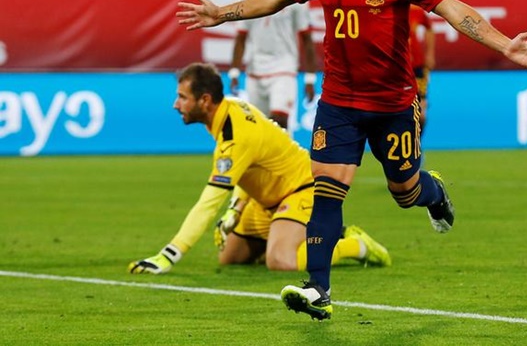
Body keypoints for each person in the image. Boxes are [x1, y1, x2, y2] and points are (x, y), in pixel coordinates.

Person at [176, 0, 527, 320]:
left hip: (393, 103)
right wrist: (222, 12)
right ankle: (318, 288)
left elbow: (453, 9)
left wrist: (505, 45)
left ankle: (434, 194)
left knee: (405, 189)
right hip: (339, 102)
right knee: (326, 192)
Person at [128, 62, 390, 275]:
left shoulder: (235, 136)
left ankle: (353, 245)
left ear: (205, 100)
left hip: (301, 189)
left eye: (182, 97)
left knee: (281, 261)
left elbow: (208, 203)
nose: (176, 104)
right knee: (230, 259)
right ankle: (288, 233)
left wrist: (169, 255)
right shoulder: (229, 108)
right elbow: (250, 166)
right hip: (264, 199)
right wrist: (235, 209)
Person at [228, 0, 317, 131]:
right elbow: (240, 38)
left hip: (283, 69)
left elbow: (307, 39)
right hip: (255, 70)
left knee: (279, 121)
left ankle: (288, 158)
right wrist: (234, 72)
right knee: (259, 129)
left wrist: (309, 78)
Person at [408, 4, 434, 133]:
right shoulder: (383, 8)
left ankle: (417, 148)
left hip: (417, 67)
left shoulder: (415, 10)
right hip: (395, 69)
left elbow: (429, 28)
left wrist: (430, 54)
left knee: (421, 114)